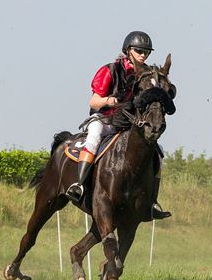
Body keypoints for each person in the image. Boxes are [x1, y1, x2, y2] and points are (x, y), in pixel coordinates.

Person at [65, 31, 171, 220]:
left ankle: (151, 202)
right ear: (127, 50)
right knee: (94, 135)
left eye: (146, 52)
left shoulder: (145, 74)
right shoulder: (110, 70)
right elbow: (93, 101)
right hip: (105, 119)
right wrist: (109, 101)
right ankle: (79, 185)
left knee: (158, 150)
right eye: (139, 50)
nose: (143, 55)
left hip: (129, 124)